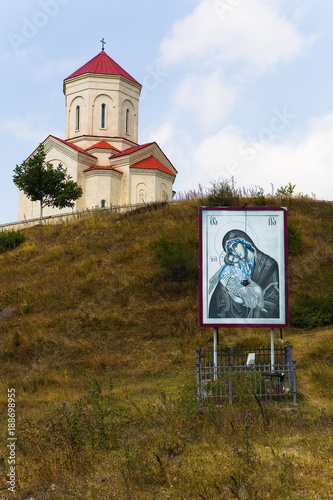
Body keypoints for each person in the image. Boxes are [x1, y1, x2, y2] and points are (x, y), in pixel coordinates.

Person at [209, 229, 279, 319]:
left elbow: (275, 301)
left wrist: (245, 300)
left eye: (235, 245)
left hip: (257, 304)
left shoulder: (269, 265)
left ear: (246, 243)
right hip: (243, 291)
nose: (234, 251)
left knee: (257, 289)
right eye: (230, 250)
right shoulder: (234, 267)